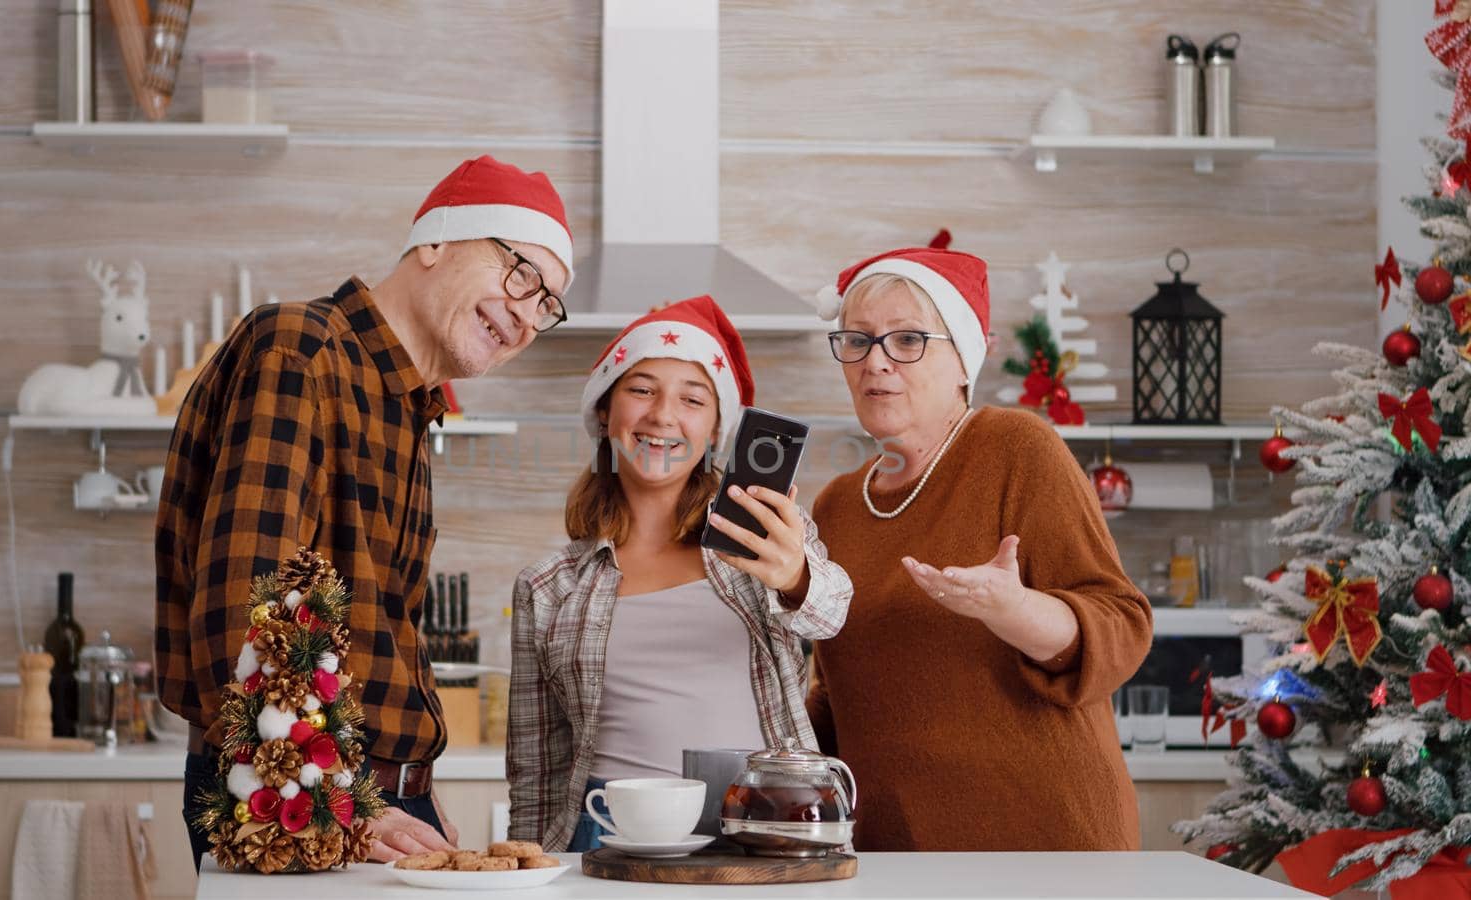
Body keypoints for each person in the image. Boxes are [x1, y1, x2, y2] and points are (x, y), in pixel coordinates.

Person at [155, 155, 574, 867]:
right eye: (521, 272)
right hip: (300, 796)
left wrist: (416, 782)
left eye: (546, 304)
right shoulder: (302, 349)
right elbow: (246, 605)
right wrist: (325, 804)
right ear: (436, 242)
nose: (527, 314)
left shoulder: (408, 404)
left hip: (373, 797)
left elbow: (380, 630)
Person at [807, 247, 1153, 850]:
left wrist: (1013, 611)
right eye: (857, 341)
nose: (876, 362)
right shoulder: (836, 505)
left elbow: (1121, 626)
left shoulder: (1017, 449)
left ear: (963, 361)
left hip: (1045, 845)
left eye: (907, 340)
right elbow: (842, 696)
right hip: (894, 852)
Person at [505, 296, 854, 852]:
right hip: (605, 830)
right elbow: (534, 767)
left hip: (758, 824)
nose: (663, 415)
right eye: (641, 389)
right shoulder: (548, 586)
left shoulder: (764, 539)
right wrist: (523, 866)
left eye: (692, 399)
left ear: (717, 430)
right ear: (605, 411)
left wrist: (794, 577)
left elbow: (833, 612)